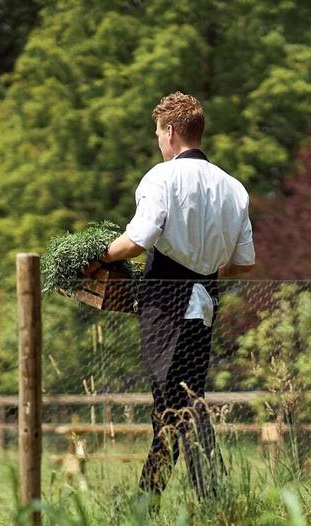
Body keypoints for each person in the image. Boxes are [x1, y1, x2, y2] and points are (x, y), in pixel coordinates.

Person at [95, 92, 256, 497]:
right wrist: (205, 264)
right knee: (176, 406)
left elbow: (137, 239)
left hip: (165, 307)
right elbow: (244, 262)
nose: (158, 142)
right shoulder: (234, 188)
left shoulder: (161, 177)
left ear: (170, 131)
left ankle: (212, 500)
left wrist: (97, 257)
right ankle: (148, 504)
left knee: (180, 408)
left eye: (157, 133)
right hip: (205, 306)